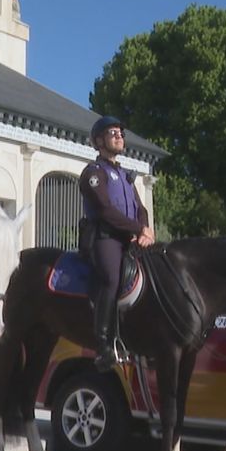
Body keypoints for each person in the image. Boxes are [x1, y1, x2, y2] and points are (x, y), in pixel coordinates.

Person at [78, 116, 155, 371]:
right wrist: (137, 228)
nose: (120, 136)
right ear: (99, 141)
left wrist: (145, 230)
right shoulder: (93, 173)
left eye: (121, 132)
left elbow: (140, 209)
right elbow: (104, 210)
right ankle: (102, 345)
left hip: (130, 238)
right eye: (113, 132)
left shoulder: (124, 176)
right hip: (105, 238)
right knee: (111, 277)